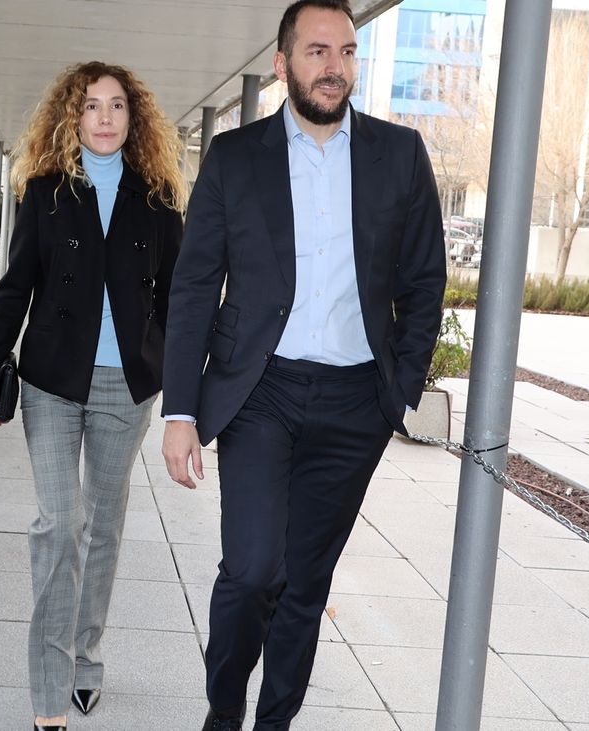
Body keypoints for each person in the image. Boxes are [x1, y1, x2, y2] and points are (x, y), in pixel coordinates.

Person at [160, 2, 447, 729]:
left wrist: (400, 391)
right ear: (283, 62)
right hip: (261, 391)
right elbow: (195, 285)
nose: (334, 67)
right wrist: (181, 409)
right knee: (254, 570)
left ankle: (273, 721)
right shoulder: (235, 156)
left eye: (347, 52)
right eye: (318, 51)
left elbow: (423, 280)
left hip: (356, 405)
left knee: (304, 584)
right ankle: (224, 707)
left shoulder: (400, 154)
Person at [0, 61, 186, 731]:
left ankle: (87, 653)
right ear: (72, 115)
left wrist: (182, 387)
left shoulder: (156, 200)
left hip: (129, 387)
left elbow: (176, 298)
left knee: (102, 527)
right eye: (91, 105)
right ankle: (49, 687)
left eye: (117, 105)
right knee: (58, 525)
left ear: (134, 118)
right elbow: (16, 285)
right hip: (52, 383)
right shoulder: (44, 192)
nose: (104, 116)